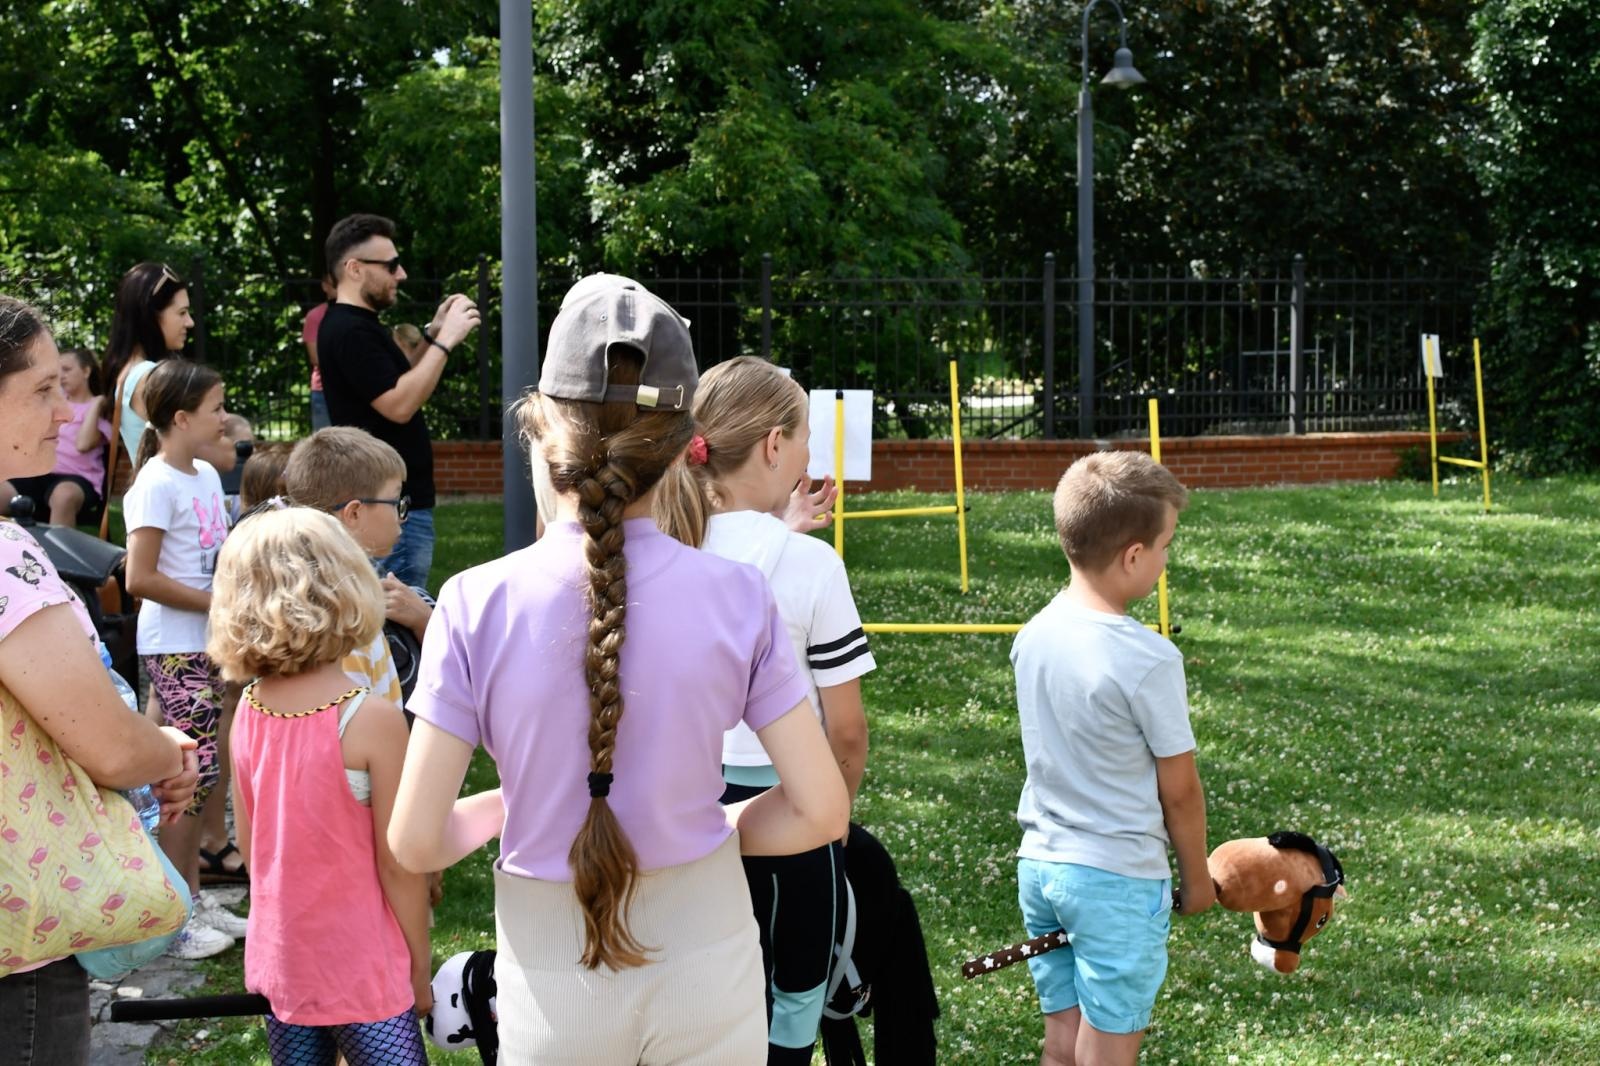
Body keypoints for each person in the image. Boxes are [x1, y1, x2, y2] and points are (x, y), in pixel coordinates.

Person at [387, 274, 848, 1065]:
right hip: (707, 957)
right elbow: (822, 811)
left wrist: (512, 802)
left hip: (549, 976)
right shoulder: (739, 595)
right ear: (680, 446)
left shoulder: (471, 602)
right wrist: (713, 825)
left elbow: (418, 838)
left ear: (540, 429)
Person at [655, 356, 874, 1064]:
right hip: (795, 810)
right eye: (806, 434)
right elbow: (846, 733)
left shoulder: (655, 546)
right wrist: (830, 817)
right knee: (794, 1003)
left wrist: (781, 525)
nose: (812, 451)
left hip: (680, 814)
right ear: (775, 444)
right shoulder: (813, 570)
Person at [0, 295, 199, 1065]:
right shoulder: (7, 560)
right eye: (42, 389)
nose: (65, 411)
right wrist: (168, 749)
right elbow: (112, 750)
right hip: (22, 936)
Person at [1012, 451, 1214, 1066]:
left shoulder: (1034, 634)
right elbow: (1179, 790)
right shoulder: (1149, 659)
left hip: (1042, 870)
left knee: (1062, 1046)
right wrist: (1198, 878)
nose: (1165, 559)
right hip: (1116, 882)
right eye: (1164, 547)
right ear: (1133, 555)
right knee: (1106, 1053)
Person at [212, 507, 431, 1065]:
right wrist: (419, 966)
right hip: (366, 969)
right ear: (348, 587)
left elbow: (257, 847)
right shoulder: (372, 719)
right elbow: (400, 864)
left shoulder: (250, 710)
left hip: (286, 965)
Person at [121, 358, 250, 959]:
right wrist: (215, 599)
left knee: (198, 776)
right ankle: (177, 916)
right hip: (175, 646)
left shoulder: (201, 475)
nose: (225, 417)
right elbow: (139, 578)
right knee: (185, 781)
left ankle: (189, 896)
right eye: (216, 407)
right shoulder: (156, 482)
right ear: (180, 417)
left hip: (206, 640)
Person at [316, 213, 479, 590]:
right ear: (354, 269)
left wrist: (430, 335)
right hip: (387, 508)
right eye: (390, 265)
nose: (401, 274)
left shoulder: (359, 324)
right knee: (393, 623)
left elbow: (397, 383)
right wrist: (445, 341)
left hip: (393, 503)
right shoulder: (350, 330)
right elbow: (398, 404)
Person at [283, 427, 432, 704]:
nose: (402, 516)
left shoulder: (293, 602)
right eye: (396, 500)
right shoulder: (349, 619)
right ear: (354, 513)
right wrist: (427, 621)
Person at [0, 348, 113, 526]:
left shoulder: (98, 408)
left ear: (86, 371)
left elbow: (83, 444)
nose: (62, 376)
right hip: (39, 473)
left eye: (67, 370)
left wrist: (96, 404)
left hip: (76, 479)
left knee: (63, 496)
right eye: (58, 371)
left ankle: (58, 554)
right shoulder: (53, 403)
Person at [99, 262, 194, 469]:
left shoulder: (130, 372)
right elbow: (195, 448)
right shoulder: (148, 376)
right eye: (181, 312)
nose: (190, 322)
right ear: (150, 316)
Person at [302, 274, 335, 431]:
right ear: (324, 286)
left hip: (355, 389)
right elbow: (316, 358)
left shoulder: (360, 315)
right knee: (325, 444)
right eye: (332, 283)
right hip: (323, 390)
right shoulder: (315, 316)